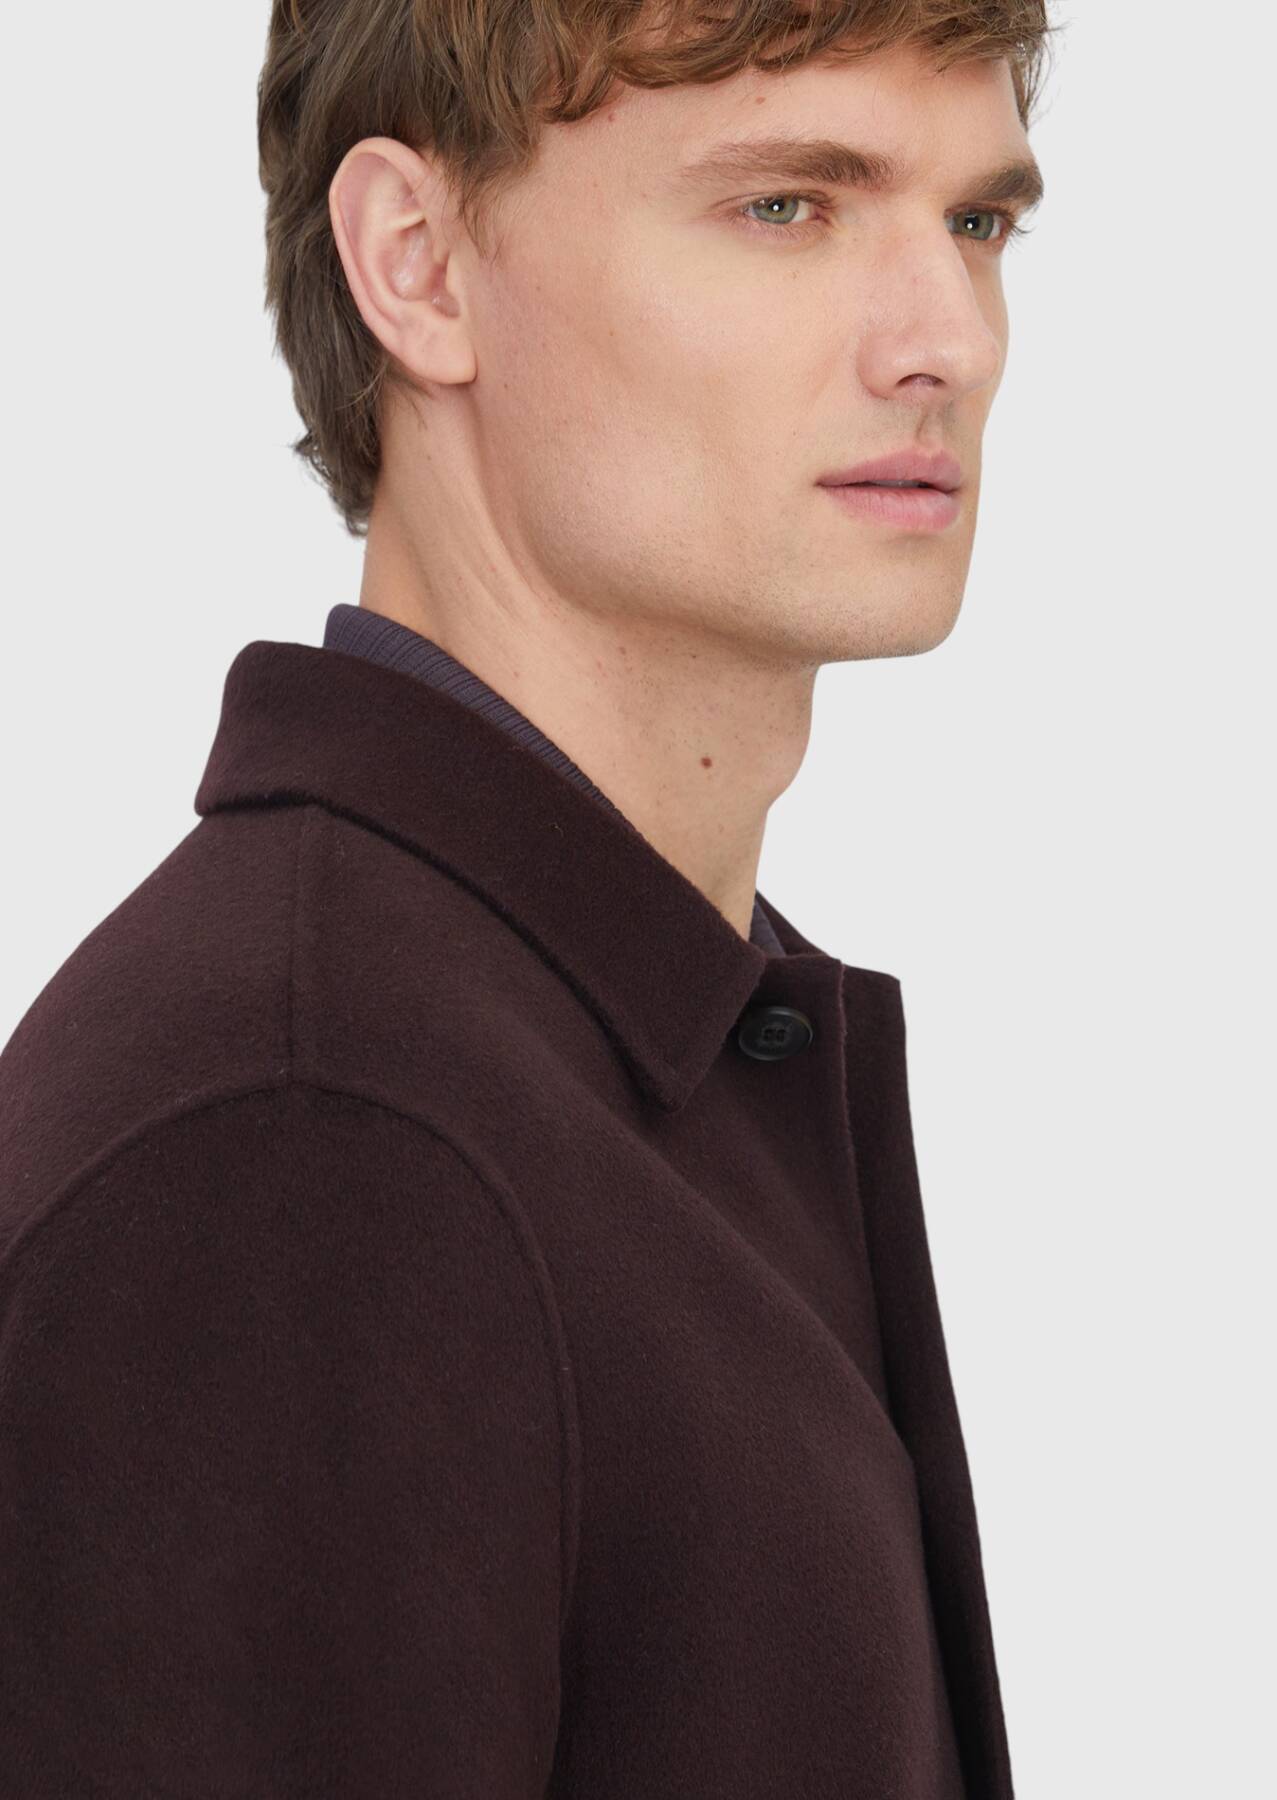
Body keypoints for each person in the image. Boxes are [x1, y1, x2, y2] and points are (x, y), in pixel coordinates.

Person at [0, 3, 1056, 1794]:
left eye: (975, 220)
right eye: (786, 207)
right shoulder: (308, 1151)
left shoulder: (596, 1051)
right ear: (416, 266)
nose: (946, 337)